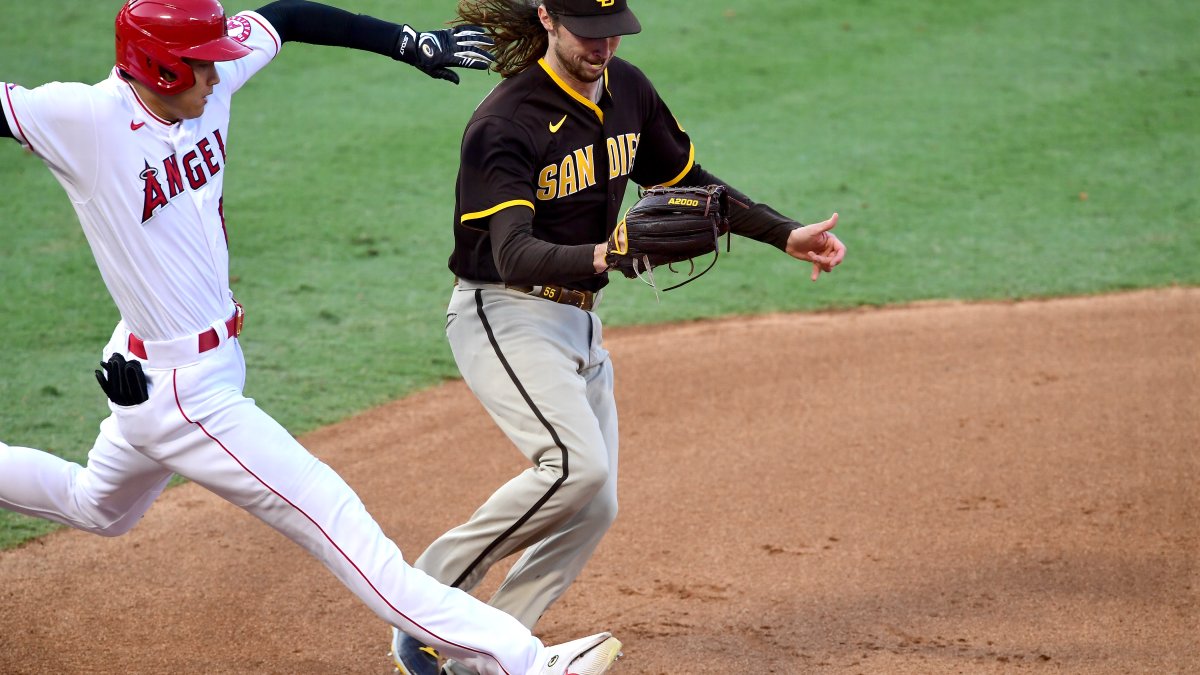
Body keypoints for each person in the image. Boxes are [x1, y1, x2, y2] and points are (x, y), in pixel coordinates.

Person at [0, 1, 624, 673]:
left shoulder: (203, 84)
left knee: (98, 504)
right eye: (204, 66)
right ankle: (522, 661)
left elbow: (286, 16)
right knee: (350, 532)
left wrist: (406, 44)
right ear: (158, 67)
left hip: (166, 364)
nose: (220, 74)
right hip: (186, 399)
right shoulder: (82, 120)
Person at [390, 0, 847, 672]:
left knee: (594, 503)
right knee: (576, 467)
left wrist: (782, 232)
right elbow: (513, 252)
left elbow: (691, 183)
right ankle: (423, 604)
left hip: (577, 318)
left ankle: (483, 651)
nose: (603, 48)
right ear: (547, 18)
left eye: (613, 33)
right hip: (503, 309)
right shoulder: (505, 122)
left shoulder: (627, 90)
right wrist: (607, 254)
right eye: (588, 34)